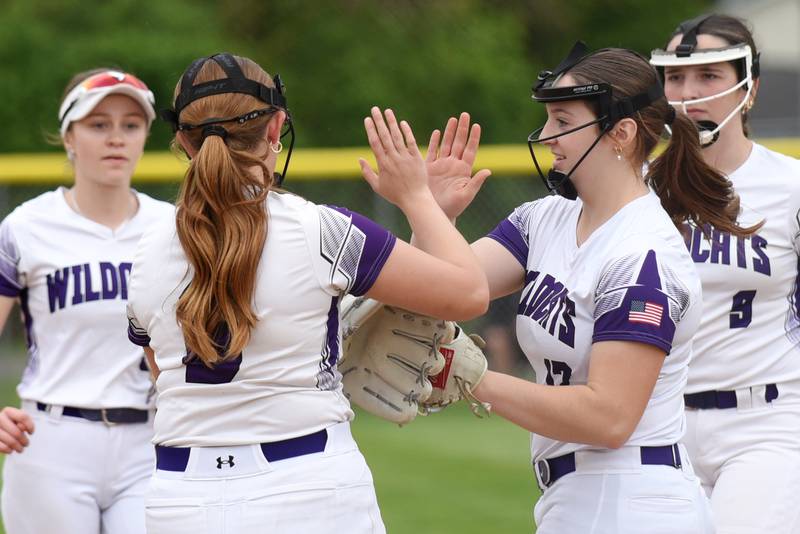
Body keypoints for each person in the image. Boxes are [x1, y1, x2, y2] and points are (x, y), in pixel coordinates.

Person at [124, 53, 488, 534]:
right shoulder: (321, 230)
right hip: (308, 484)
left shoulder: (147, 249)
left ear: (183, 142)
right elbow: (470, 293)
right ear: (276, 129)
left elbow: (159, 369)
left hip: (180, 499)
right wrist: (420, 200)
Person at [421, 42, 761, 533]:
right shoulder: (546, 219)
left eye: (563, 121)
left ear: (621, 133)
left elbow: (609, 416)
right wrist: (431, 213)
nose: (547, 137)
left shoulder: (643, 254)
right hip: (581, 496)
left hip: (632, 500)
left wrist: (470, 377)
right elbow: (447, 290)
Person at [0, 69, 174, 533]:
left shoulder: (174, 228)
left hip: (151, 440)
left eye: (131, 125)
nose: (116, 137)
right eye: (98, 125)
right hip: (50, 441)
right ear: (68, 137)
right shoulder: (25, 228)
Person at [650, 14, 800, 533]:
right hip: (656, 425)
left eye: (709, 76)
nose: (688, 94)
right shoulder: (634, 189)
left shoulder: (791, 187)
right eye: (676, 77)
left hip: (767, 422)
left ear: (750, 88)